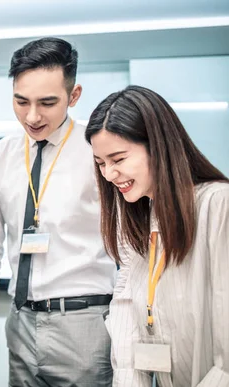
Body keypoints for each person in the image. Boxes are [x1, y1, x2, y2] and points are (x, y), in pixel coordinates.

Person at [0, 37, 117, 386]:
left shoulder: (97, 150)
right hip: (19, 320)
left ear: (74, 95)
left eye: (47, 103)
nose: (32, 116)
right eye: (21, 101)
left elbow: (130, 250)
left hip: (86, 321)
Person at [86, 85, 229, 386]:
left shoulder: (218, 206)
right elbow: (126, 314)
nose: (109, 175)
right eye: (101, 163)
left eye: (119, 159)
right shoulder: (139, 219)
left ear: (158, 146)